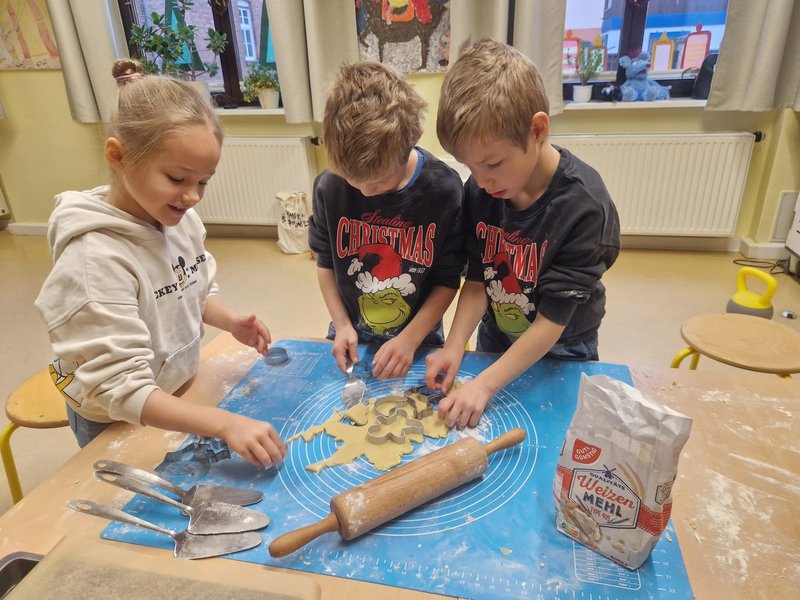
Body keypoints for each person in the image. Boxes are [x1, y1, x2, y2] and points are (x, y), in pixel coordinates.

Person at [34, 59, 286, 468]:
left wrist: (229, 320)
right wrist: (224, 424)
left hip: (173, 392)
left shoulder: (179, 219)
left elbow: (191, 288)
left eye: (203, 182)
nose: (193, 196)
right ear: (118, 156)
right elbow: (122, 389)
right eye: (177, 179)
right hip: (115, 416)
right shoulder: (95, 260)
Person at [425, 39, 620, 428]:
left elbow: (552, 321)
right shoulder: (481, 191)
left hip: (563, 346)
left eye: (493, 163)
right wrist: (454, 346)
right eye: (470, 166)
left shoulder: (583, 207)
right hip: (498, 336)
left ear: (537, 130)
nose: (481, 180)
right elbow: (478, 279)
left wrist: (484, 385)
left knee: (550, 432)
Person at [308, 61, 464, 379]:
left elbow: (448, 279)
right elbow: (325, 262)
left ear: (411, 140)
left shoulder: (444, 190)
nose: (366, 191)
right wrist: (341, 324)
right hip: (350, 328)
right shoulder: (329, 185)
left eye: (379, 182)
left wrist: (410, 339)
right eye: (352, 180)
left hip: (418, 335)